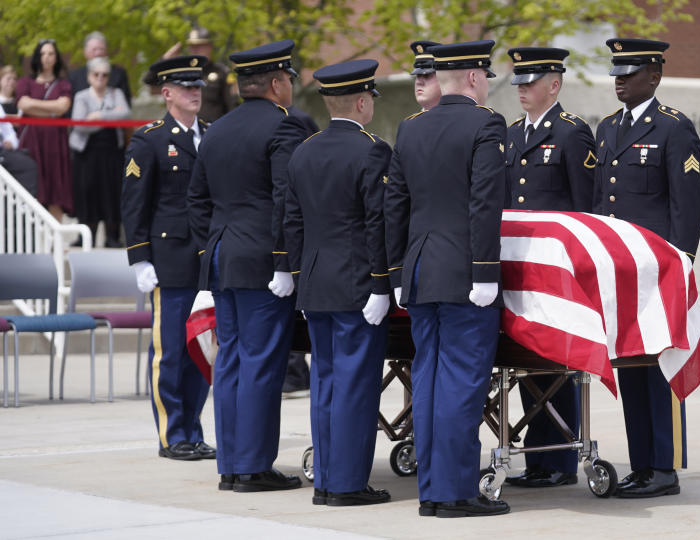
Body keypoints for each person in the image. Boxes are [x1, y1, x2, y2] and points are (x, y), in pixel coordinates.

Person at [384, 40, 510, 518]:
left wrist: (398, 270)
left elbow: (394, 206)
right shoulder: (485, 123)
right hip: (462, 275)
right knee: (461, 383)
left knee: (432, 380)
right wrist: (485, 271)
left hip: (419, 273)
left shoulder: (411, 129)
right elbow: (484, 203)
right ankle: (456, 494)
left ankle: (433, 492)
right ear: (476, 78)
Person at [187, 40, 302, 493]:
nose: (290, 86)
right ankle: (253, 467)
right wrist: (282, 259)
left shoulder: (216, 129)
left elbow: (196, 200)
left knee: (232, 361)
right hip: (261, 263)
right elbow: (285, 202)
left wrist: (210, 247)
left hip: (222, 258)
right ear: (276, 84)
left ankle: (232, 465)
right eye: (288, 79)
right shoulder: (283, 128)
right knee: (261, 362)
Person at [593, 38, 700, 498]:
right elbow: (601, 203)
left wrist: (681, 264)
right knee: (631, 368)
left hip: (658, 272)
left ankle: (665, 467)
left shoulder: (674, 128)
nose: (620, 77)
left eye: (631, 70)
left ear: (654, 76)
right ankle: (642, 464)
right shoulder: (605, 129)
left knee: (661, 366)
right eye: (616, 70)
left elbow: (688, 205)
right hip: (620, 272)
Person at [285, 59, 392, 507]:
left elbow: (291, 222)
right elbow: (378, 223)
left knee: (326, 384)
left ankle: (327, 480)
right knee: (354, 386)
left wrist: (298, 278)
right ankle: (347, 484)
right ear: (363, 101)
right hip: (356, 287)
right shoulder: (372, 150)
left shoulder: (304, 150)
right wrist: (382, 284)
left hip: (315, 284)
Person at [501, 46, 595, 489]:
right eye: (518, 81)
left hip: (556, 272)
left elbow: (584, 209)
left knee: (556, 367)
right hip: (522, 270)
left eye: (530, 81)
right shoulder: (514, 134)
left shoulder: (572, 134)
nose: (521, 88)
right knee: (528, 364)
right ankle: (537, 458)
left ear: (553, 85)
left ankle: (559, 461)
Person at [121, 55, 213, 461]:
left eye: (198, 85)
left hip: (204, 263)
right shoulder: (150, 138)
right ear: (167, 93)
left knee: (200, 351)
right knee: (171, 353)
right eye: (186, 86)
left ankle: (193, 429)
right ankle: (172, 434)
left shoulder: (210, 135)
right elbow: (133, 202)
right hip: (170, 260)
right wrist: (140, 258)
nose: (195, 92)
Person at [69, 57, 129, 247]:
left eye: (105, 75)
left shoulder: (116, 92)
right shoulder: (81, 96)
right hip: (87, 153)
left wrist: (98, 116)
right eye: (96, 74)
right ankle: (88, 236)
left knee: (112, 192)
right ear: (89, 76)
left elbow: (125, 114)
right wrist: (111, 117)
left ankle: (112, 237)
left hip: (112, 152)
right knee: (88, 193)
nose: (101, 78)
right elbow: (81, 125)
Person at [15, 39, 72, 222]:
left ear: (56, 58)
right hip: (32, 140)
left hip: (55, 141)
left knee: (57, 188)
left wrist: (35, 106)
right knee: (33, 187)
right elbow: (23, 103)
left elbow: (63, 107)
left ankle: (57, 242)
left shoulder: (63, 84)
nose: (46, 58)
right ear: (37, 57)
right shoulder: (25, 82)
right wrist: (51, 108)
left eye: (51, 54)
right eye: (43, 54)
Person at [162, 27, 238, 123]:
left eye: (200, 46)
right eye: (192, 46)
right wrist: (165, 60)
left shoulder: (222, 72)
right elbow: (150, 80)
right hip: (186, 130)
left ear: (209, 46)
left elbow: (232, 106)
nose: (195, 50)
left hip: (212, 130)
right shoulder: (182, 73)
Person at [67, 32, 132, 108]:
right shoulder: (74, 77)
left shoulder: (119, 73)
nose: (98, 53)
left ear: (106, 51)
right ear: (85, 52)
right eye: (94, 49)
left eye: (101, 49)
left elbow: (126, 104)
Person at [0, 105, 38, 196]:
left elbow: (8, 131)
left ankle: (23, 206)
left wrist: (11, 142)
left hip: (3, 151)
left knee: (28, 165)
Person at [409, 40, 442, 111]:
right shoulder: (412, 121)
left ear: (444, 78)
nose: (419, 82)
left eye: (427, 76)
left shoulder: (459, 118)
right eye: (418, 75)